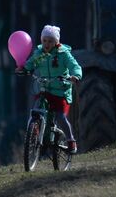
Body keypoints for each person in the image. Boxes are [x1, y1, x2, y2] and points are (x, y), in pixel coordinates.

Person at [18, 24, 82, 153]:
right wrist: (24, 69)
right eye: (44, 40)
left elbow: (74, 65)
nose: (46, 44)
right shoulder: (40, 54)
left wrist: (75, 75)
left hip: (61, 90)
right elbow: (31, 63)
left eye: (50, 41)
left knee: (60, 116)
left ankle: (71, 141)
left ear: (56, 42)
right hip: (45, 89)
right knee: (36, 109)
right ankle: (35, 135)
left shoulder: (63, 54)